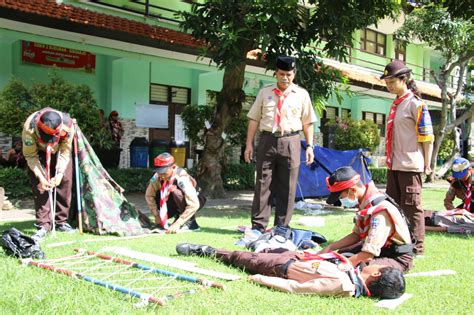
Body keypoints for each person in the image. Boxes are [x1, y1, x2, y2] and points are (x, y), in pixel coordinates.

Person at [176, 243, 405, 299]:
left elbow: (296, 287)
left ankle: (205, 251)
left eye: (381, 267)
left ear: (376, 275)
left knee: (242, 258)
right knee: (269, 248)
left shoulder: (344, 285)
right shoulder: (354, 274)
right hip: (295, 258)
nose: (376, 263)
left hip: (281, 268)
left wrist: (260, 279)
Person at [244, 56, 317, 232]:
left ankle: (282, 226)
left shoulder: (302, 95)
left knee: (289, 185)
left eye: (289, 74)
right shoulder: (265, 93)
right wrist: (249, 144)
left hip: (291, 140)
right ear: (276, 73)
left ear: (294, 74)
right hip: (267, 139)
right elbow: (254, 119)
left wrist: (309, 146)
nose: (285, 78)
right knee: (263, 183)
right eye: (282, 74)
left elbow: (308, 123)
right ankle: (258, 225)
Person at [381, 60, 434, 255]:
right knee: (393, 206)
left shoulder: (416, 104)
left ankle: (418, 247)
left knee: (412, 207)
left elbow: (427, 137)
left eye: (392, 81)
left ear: (404, 79)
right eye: (387, 82)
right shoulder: (396, 105)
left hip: (410, 165)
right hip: (394, 164)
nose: (389, 85)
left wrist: (427, 164)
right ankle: (399, 243)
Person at [320, 166, 413, 272]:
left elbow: (368, 254)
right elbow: (357, 234)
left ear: (353, 190)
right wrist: (330, 247)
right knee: (341, 254)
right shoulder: (365, 202)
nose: (341, 201)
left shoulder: (380, 211)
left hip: (397, 257)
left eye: (341, 197)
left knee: (361, 269)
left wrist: (343, 266)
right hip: (382, 250)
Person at [22, 107, 76, 240]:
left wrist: (59, 174)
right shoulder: (29, 128)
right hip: (38, 153)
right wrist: (41, 177)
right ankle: (44, 225)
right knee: (40, 187)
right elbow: (30, 156)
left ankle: (61, 222)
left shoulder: (68, 126)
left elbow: (65, 152)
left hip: (59, 150)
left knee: (65, 181)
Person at [145, 152, 206, 233]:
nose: (161, 175)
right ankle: (177, 216)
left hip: (196, 200)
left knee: (175, 191)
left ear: (173, 167)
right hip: (173, 203)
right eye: (159, 171)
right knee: (158, 193)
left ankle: (190, 223)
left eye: (164, 172)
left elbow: (194, 204)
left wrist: (178, 223)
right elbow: (149, 195)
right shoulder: (157, 177)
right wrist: (156, 215)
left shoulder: (182, 178)